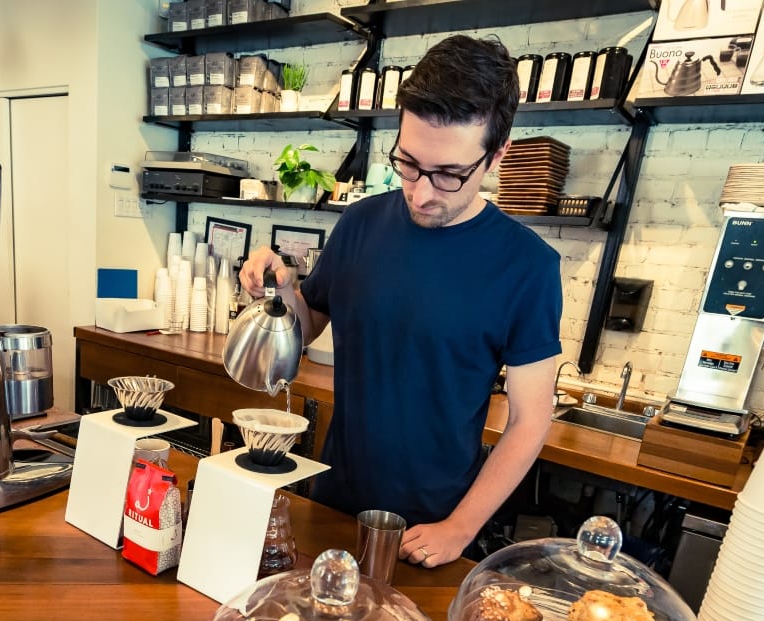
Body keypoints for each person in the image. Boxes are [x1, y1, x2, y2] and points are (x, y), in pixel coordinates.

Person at [239, 34, 562, 568]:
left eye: (449, 174)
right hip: (334, 501)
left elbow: (531, 420)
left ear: (496, 155)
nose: (422, 191)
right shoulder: (362, 222)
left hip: (430, 530)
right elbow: (308, 326)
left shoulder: (527, 266)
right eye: (408, 164)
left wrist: (460, 529)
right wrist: (283, 288)